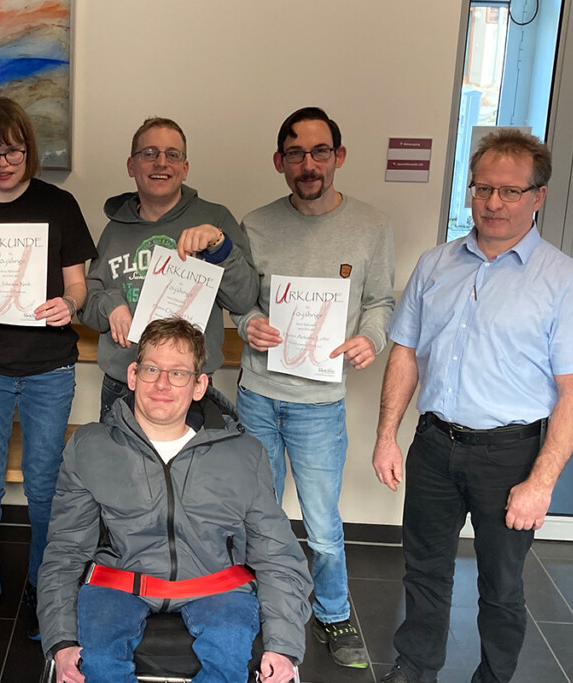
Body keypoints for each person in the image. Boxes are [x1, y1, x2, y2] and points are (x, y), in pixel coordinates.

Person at [372, 129, 573, 683]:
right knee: (423, 572)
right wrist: (386, 436)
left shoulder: (566, 282)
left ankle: (493, 677)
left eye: (511, 192)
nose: (493, 203)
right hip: (433, 444)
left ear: (538, 196)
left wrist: (540, 483)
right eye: (482, 189)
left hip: (510, 455)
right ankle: (414, 667)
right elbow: (404, 352)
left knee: (502, 584)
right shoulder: (435, 265)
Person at [37, 318, 312, 683]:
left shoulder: (244, 454)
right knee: (97, 664)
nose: (162, 384)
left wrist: (284, 644)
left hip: (215, 581)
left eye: (178, 373)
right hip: (120, 581)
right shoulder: (91, 446)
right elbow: (65, 552)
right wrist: (61, 639)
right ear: (133, 376)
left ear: (200, 385)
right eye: (152, 369)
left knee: (229, 659)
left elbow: (277, 554)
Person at [231, 107, 395, 668]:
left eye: (320, 151)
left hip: (319, 405)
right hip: (257, 396)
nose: (308, 163)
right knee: (260, 515)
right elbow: (242, 299)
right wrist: (246, 323)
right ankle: (265, 607)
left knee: (323, 526)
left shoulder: (371, 226)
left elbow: (379, 302)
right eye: (296, 153)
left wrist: (371, 337)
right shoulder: (256, 224)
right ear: (280, 162)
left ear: (338, 157)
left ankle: (332, 612)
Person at [0, 97, 97, 642]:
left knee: (44, 485)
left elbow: (77, 284)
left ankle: (42, 588)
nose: (3, 164)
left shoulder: (59, 204)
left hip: (48, 368)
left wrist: (70, 305)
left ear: (28, 152)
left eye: (12, 152)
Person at [79, 116, 256, 415]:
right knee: (117, 464)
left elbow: (244, 298)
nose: (161, 162)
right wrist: (111, 304)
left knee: (185, 465)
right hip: (123, 381)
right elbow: (88, 302)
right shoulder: (115, 229)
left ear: (184, 168)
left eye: (172, 154)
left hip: (188, 383)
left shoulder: (216, 219)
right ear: (131, 166)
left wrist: (219, 246)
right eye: (149, 153)